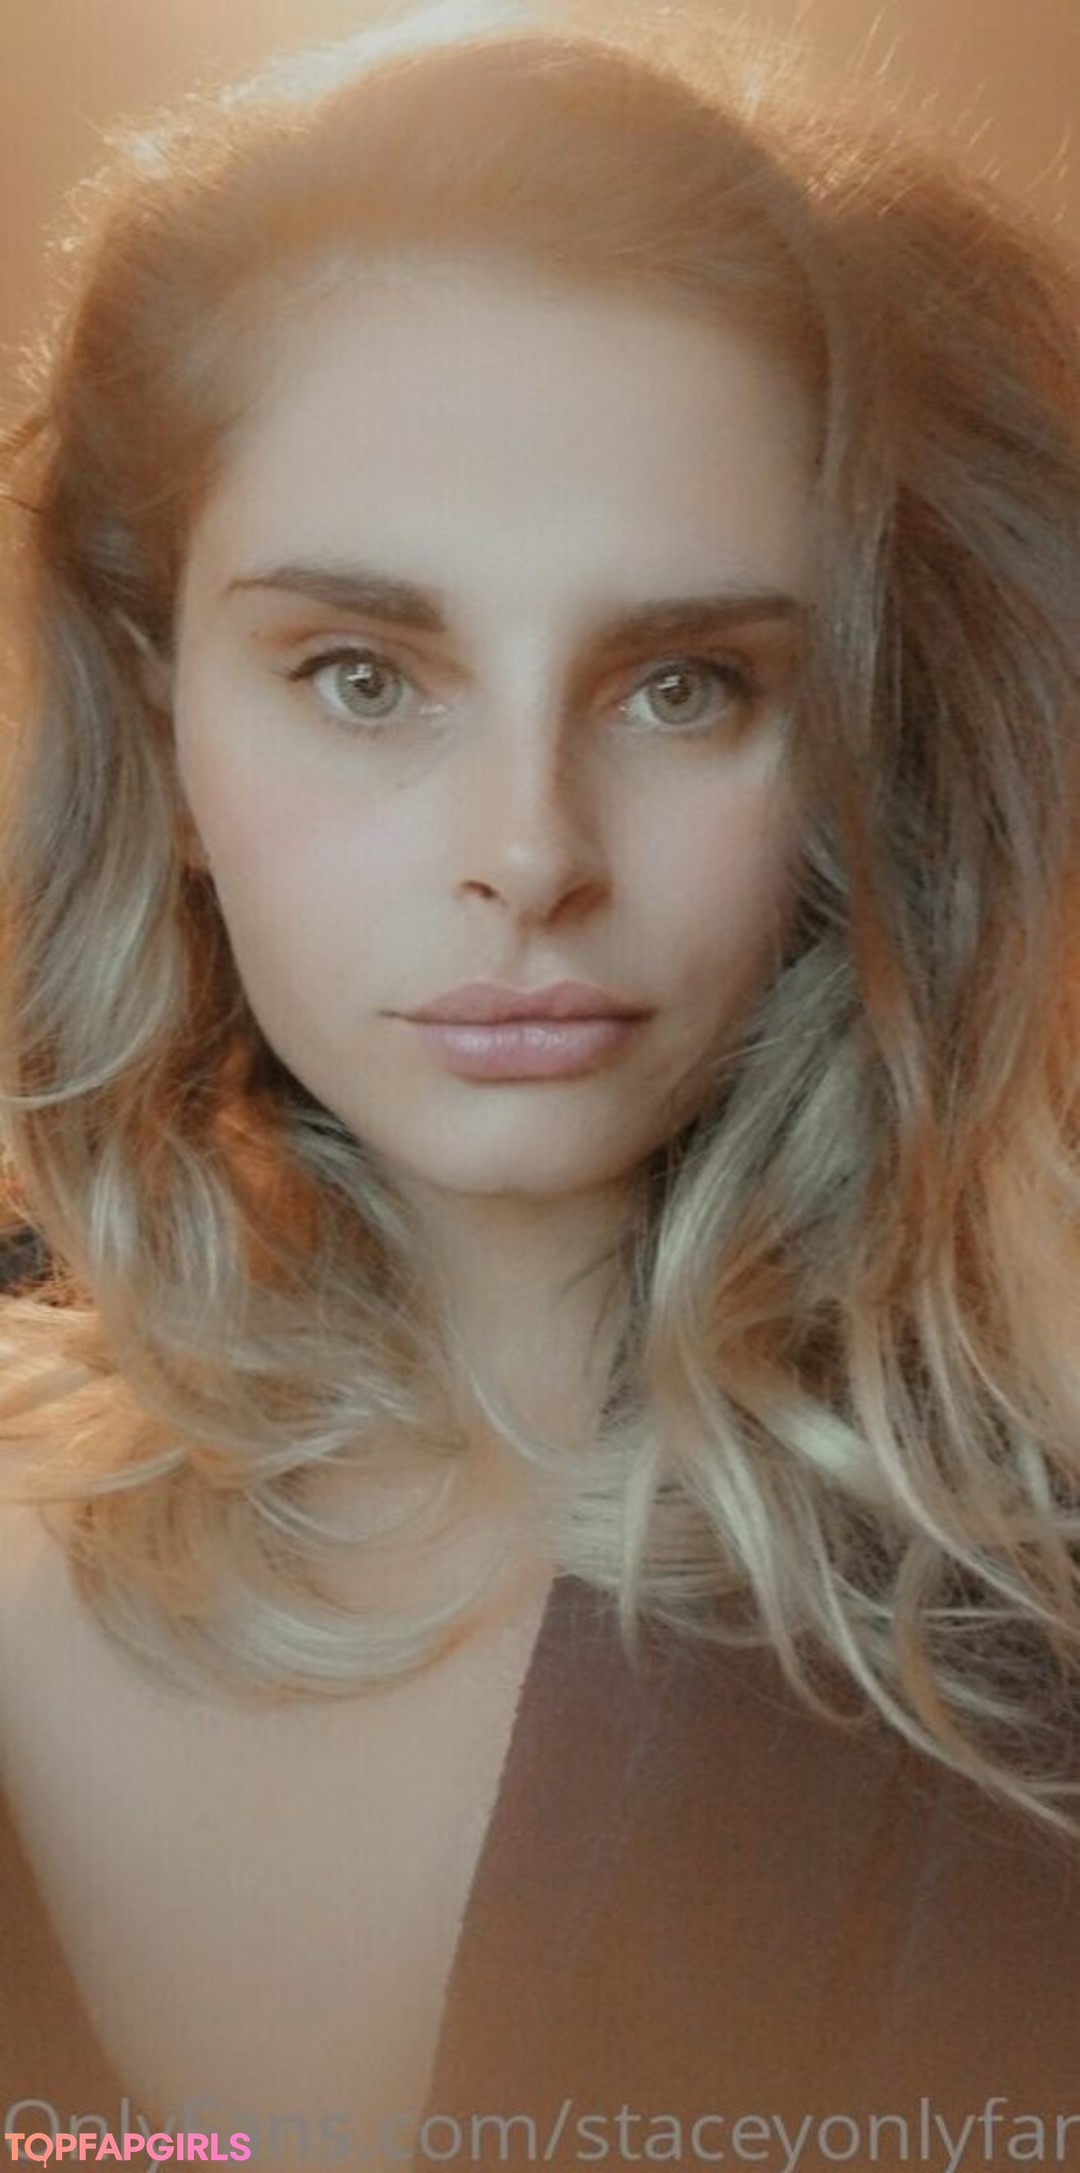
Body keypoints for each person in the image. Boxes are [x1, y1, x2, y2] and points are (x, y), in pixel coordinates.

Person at [0, 3, 1077, 2167]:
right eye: (362, 674)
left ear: (867, 738)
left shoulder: (1030, 1548)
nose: (530, 850)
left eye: (687, 684)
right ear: (163, 715)